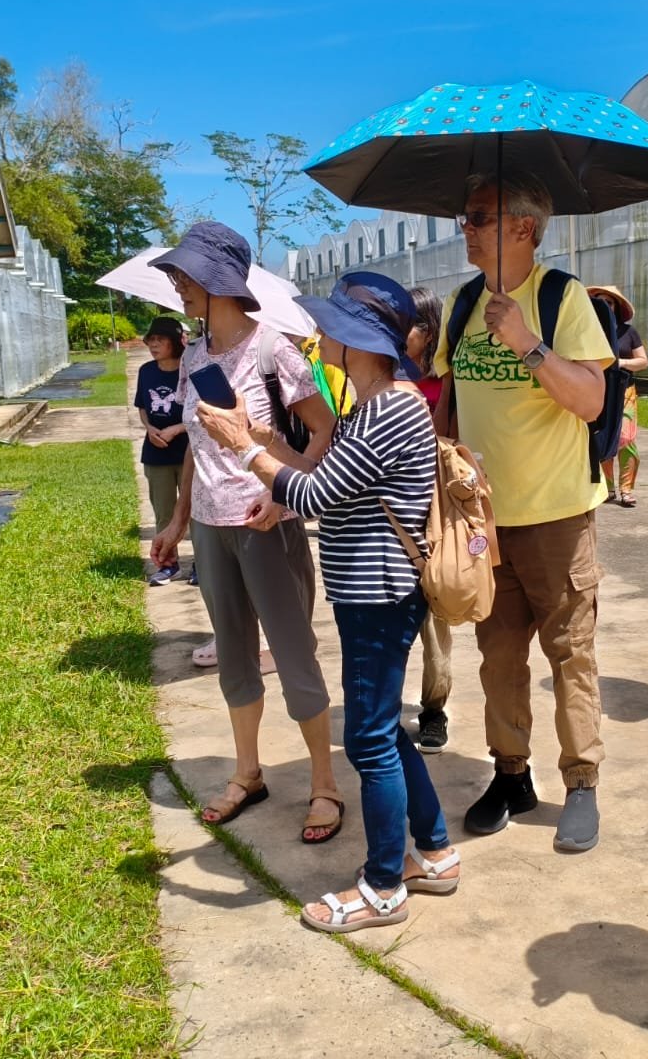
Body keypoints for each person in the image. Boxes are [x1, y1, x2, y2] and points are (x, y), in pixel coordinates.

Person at [197, 272, 460, 933]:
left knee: (368, 741)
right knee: (384, 732)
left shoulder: (394, 407)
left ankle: (382, 887)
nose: (322, 335)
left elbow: (314, 496)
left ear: (364, 340)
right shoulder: (369, 405)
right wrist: (265, 456)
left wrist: (244, 449)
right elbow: (321, 480)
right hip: (365, 592)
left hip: (379, 595)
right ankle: (432, 852)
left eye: (336, 327)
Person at [146, 222, 345, 843]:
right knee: (234, 657)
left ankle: (323, 783)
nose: (177, 286)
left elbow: (324, 430)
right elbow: (194, 449)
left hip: (266, 526)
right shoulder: (196, 356)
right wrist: (177, 520)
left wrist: (281, 493)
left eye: (185, 276)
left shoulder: (274, 350)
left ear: (219, 282)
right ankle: (248, 772)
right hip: (210, 529)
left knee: (293, 657)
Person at [433, 172, 614, 853]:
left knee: (570, 654)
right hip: (484, 519)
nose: (466, 228)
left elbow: (592, 401)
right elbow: (450, 397)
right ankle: (511, 774)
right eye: (466, 216)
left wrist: (527, 343)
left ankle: (582, 783)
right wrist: (443, 468)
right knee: (498, 655)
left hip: (557, 516)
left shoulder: (562, 298)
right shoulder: (461, 302)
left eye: (479, 216)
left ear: (523, 228)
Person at [406, 285, 454, 754]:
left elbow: (449, 441)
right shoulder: (381, 374)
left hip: (436, 513)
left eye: (409, 323)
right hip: (393, 515)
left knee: (436, 622)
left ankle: (433, 709)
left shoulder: (446, 379)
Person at [135, 316, 190, 584]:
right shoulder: (146, 371)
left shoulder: (189, 369)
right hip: (156, 453)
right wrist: (149, 429)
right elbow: (142, 407)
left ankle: (203, 565)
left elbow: (200, 410)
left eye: (160, 340)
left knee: (196, 510)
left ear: (174, 343)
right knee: (164, 511)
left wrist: (177, 428)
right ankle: (169, 563)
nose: (154, 345)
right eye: (151, 340)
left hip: (188, 450)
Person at [586, 286, 648, 507]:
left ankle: (626, 488)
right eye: (599, 302)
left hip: (625, 391)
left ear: (616, 307)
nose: (604, 306)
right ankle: (608, 488)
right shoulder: (587, 332)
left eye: (609, 302)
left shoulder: (627, 332)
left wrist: (618, 363)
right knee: (603, 437)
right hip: (599, 391)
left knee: (625, 439)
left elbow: (643, 361)